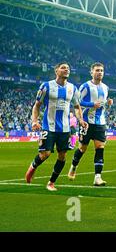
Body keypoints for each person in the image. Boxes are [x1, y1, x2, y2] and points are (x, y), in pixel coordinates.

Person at [25, 62, 88, 191]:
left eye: (68, 68)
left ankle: (51, 182)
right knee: (45, 154)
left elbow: (77, 107)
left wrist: (80, 119)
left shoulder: (73, 89)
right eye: (63, 68)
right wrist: (34, 121)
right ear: (56, 71)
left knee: (62, 156)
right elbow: (37, 105)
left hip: (65, 129)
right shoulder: (46, 86)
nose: (66, 70)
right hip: (48, 126)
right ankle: (33, 167)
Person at [68, 62, 113, 186]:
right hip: (87, 122)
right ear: (91, 72)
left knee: (100, 148)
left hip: (100, 123)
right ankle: (73, 166)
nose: (99, 73)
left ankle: (97, 177)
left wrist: (108, 103)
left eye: (101, 71)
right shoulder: (85, 86)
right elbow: (77, 102)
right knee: (82, 148)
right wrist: (92, 104)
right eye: (97, 70)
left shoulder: (106, 88)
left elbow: (102, 105)